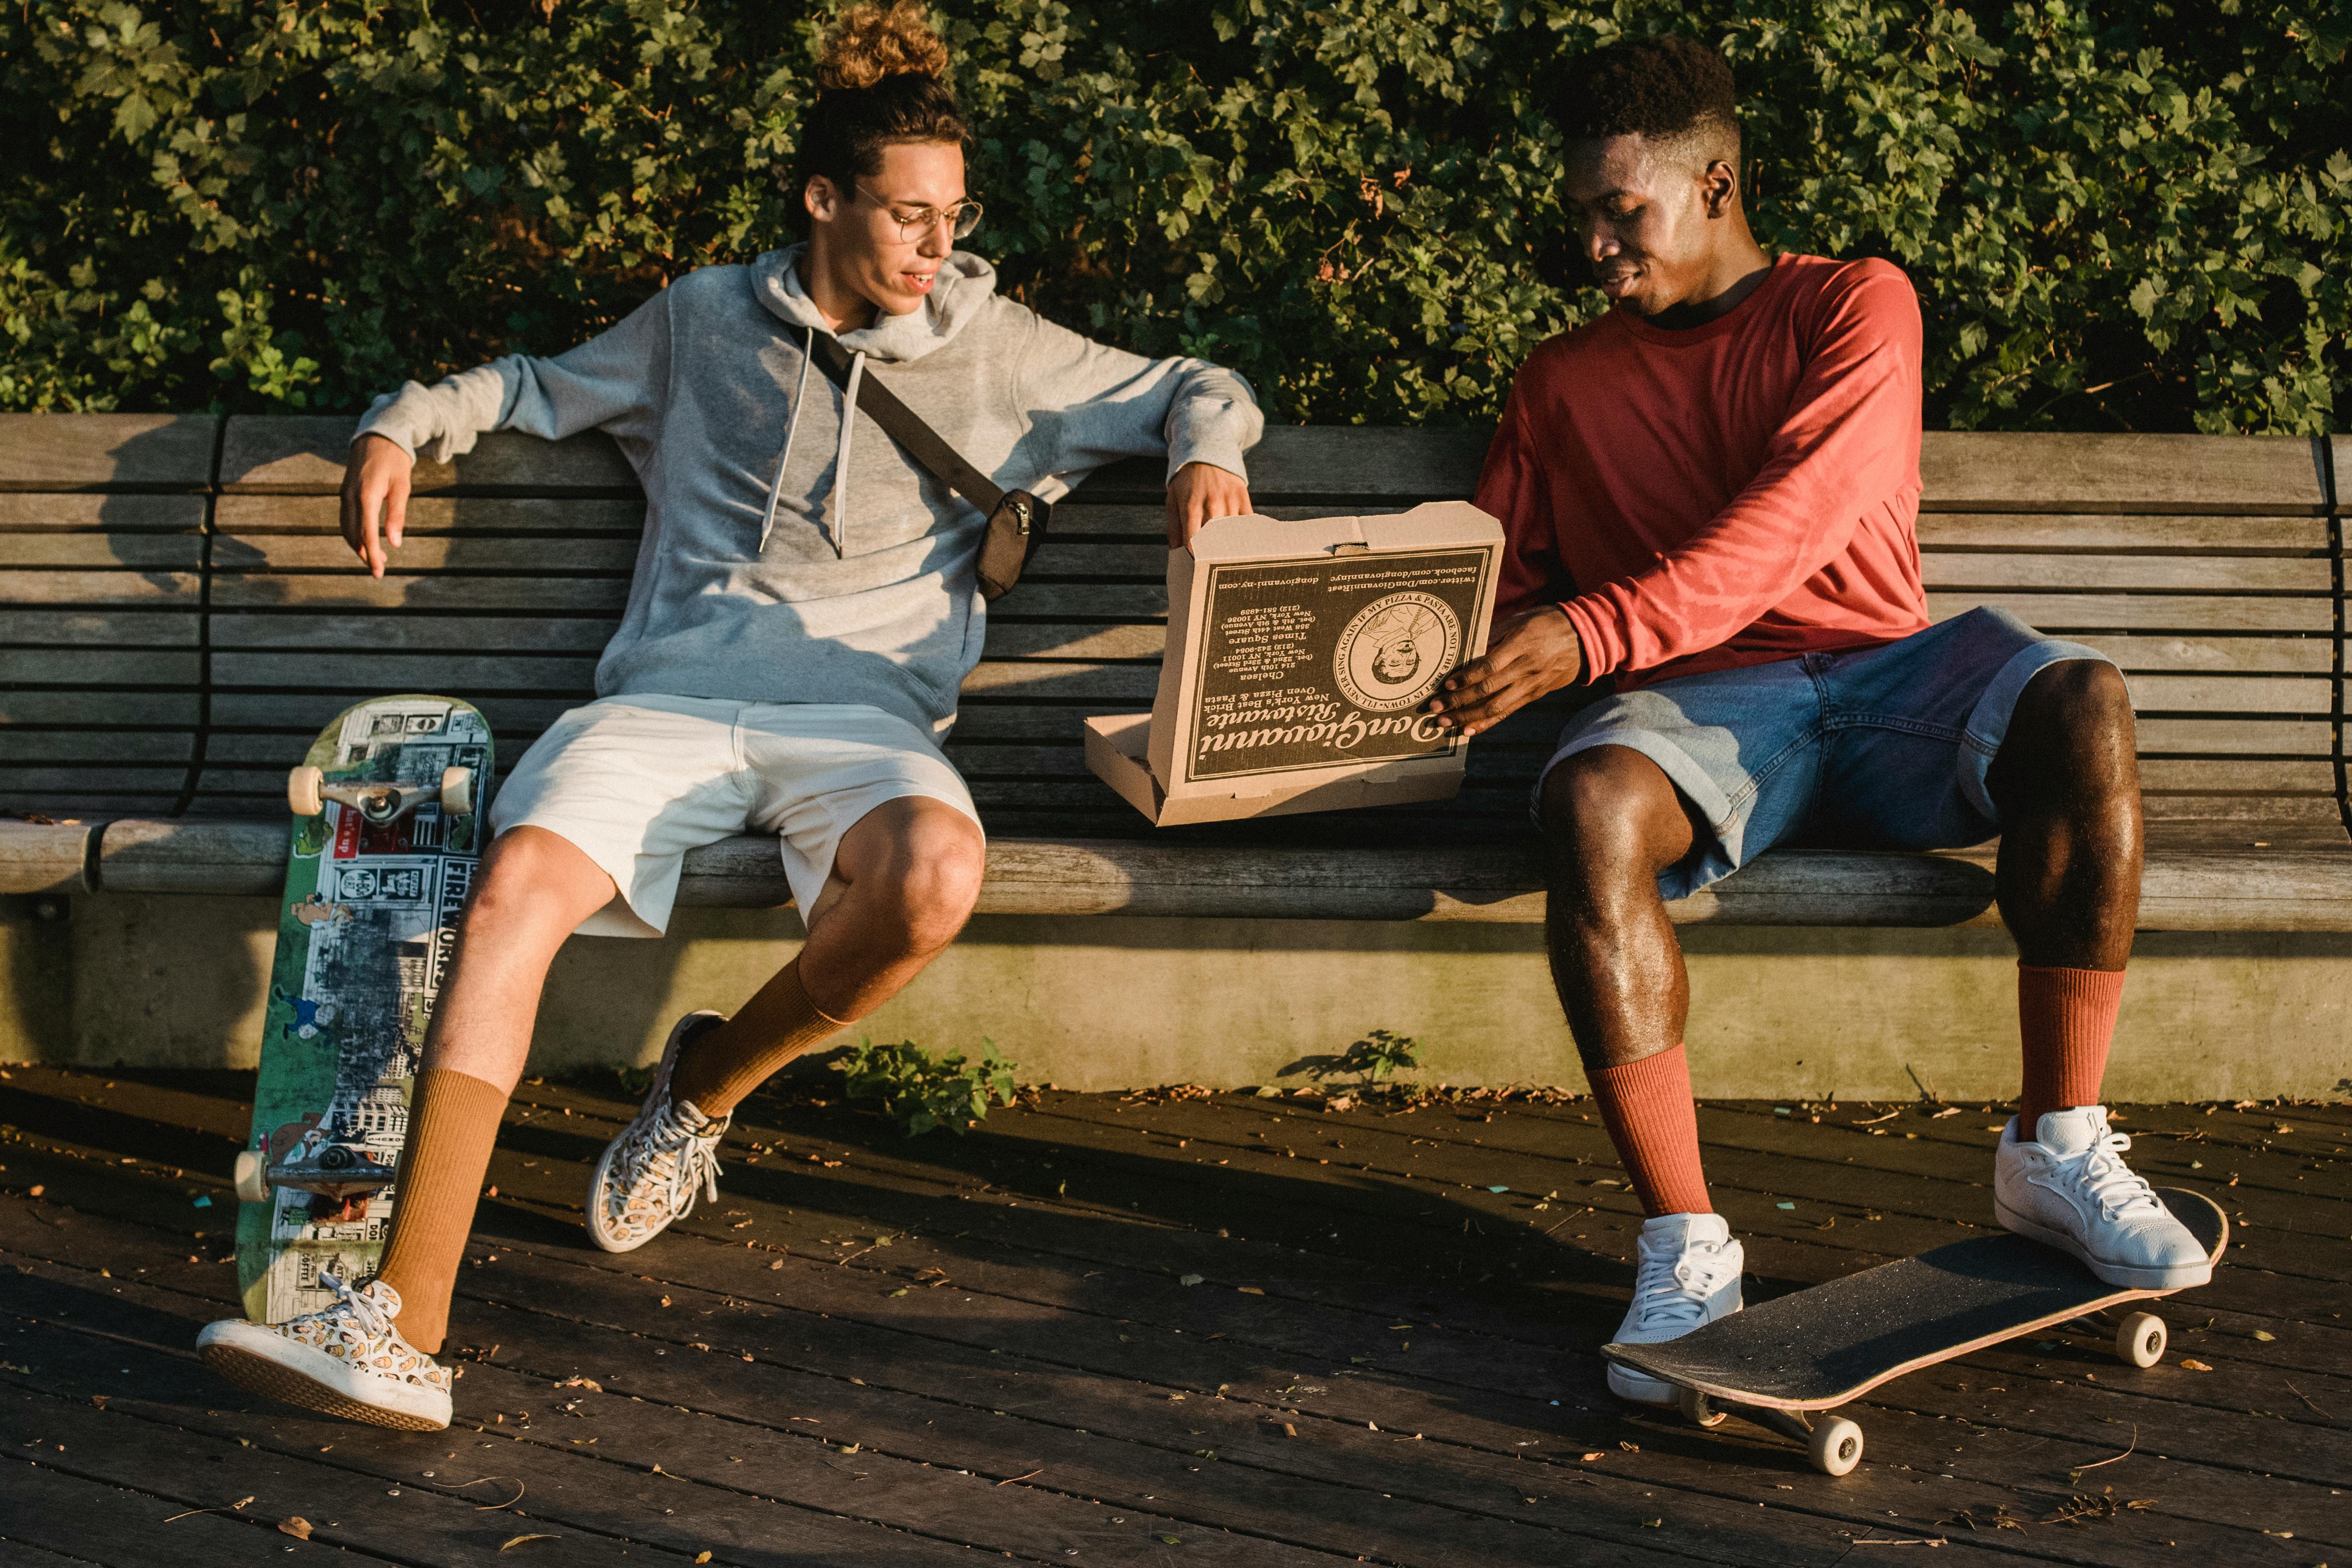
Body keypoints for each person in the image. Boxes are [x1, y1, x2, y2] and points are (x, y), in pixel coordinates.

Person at [196, 1, 1261, 1431]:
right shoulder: (701, 323)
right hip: (674, 705)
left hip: (865, 722)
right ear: (823, 201)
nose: (939, 251)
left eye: (953, 218)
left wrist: (1205, 454)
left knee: (939, 877)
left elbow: (1197, 384)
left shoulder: (996, 346)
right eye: (908, 218)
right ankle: (401, 1325)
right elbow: (529, 388)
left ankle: (701, 1090)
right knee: (513, 889)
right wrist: (401, 421)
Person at [1424, 35, 2207, 1406]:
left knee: (2081, 698)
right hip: (1700, 711)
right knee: (1590, 801)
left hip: (1892, 678)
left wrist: (1592, 632)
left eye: (1626, 212)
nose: (1599, 246)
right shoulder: (1558, 384)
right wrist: (1378, 654)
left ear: (1717, 180)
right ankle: (1684, 1239)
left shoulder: (1856, 306)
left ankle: (2057, 1143)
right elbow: (1502, 582)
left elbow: (1794, 524)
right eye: (1583, 219)